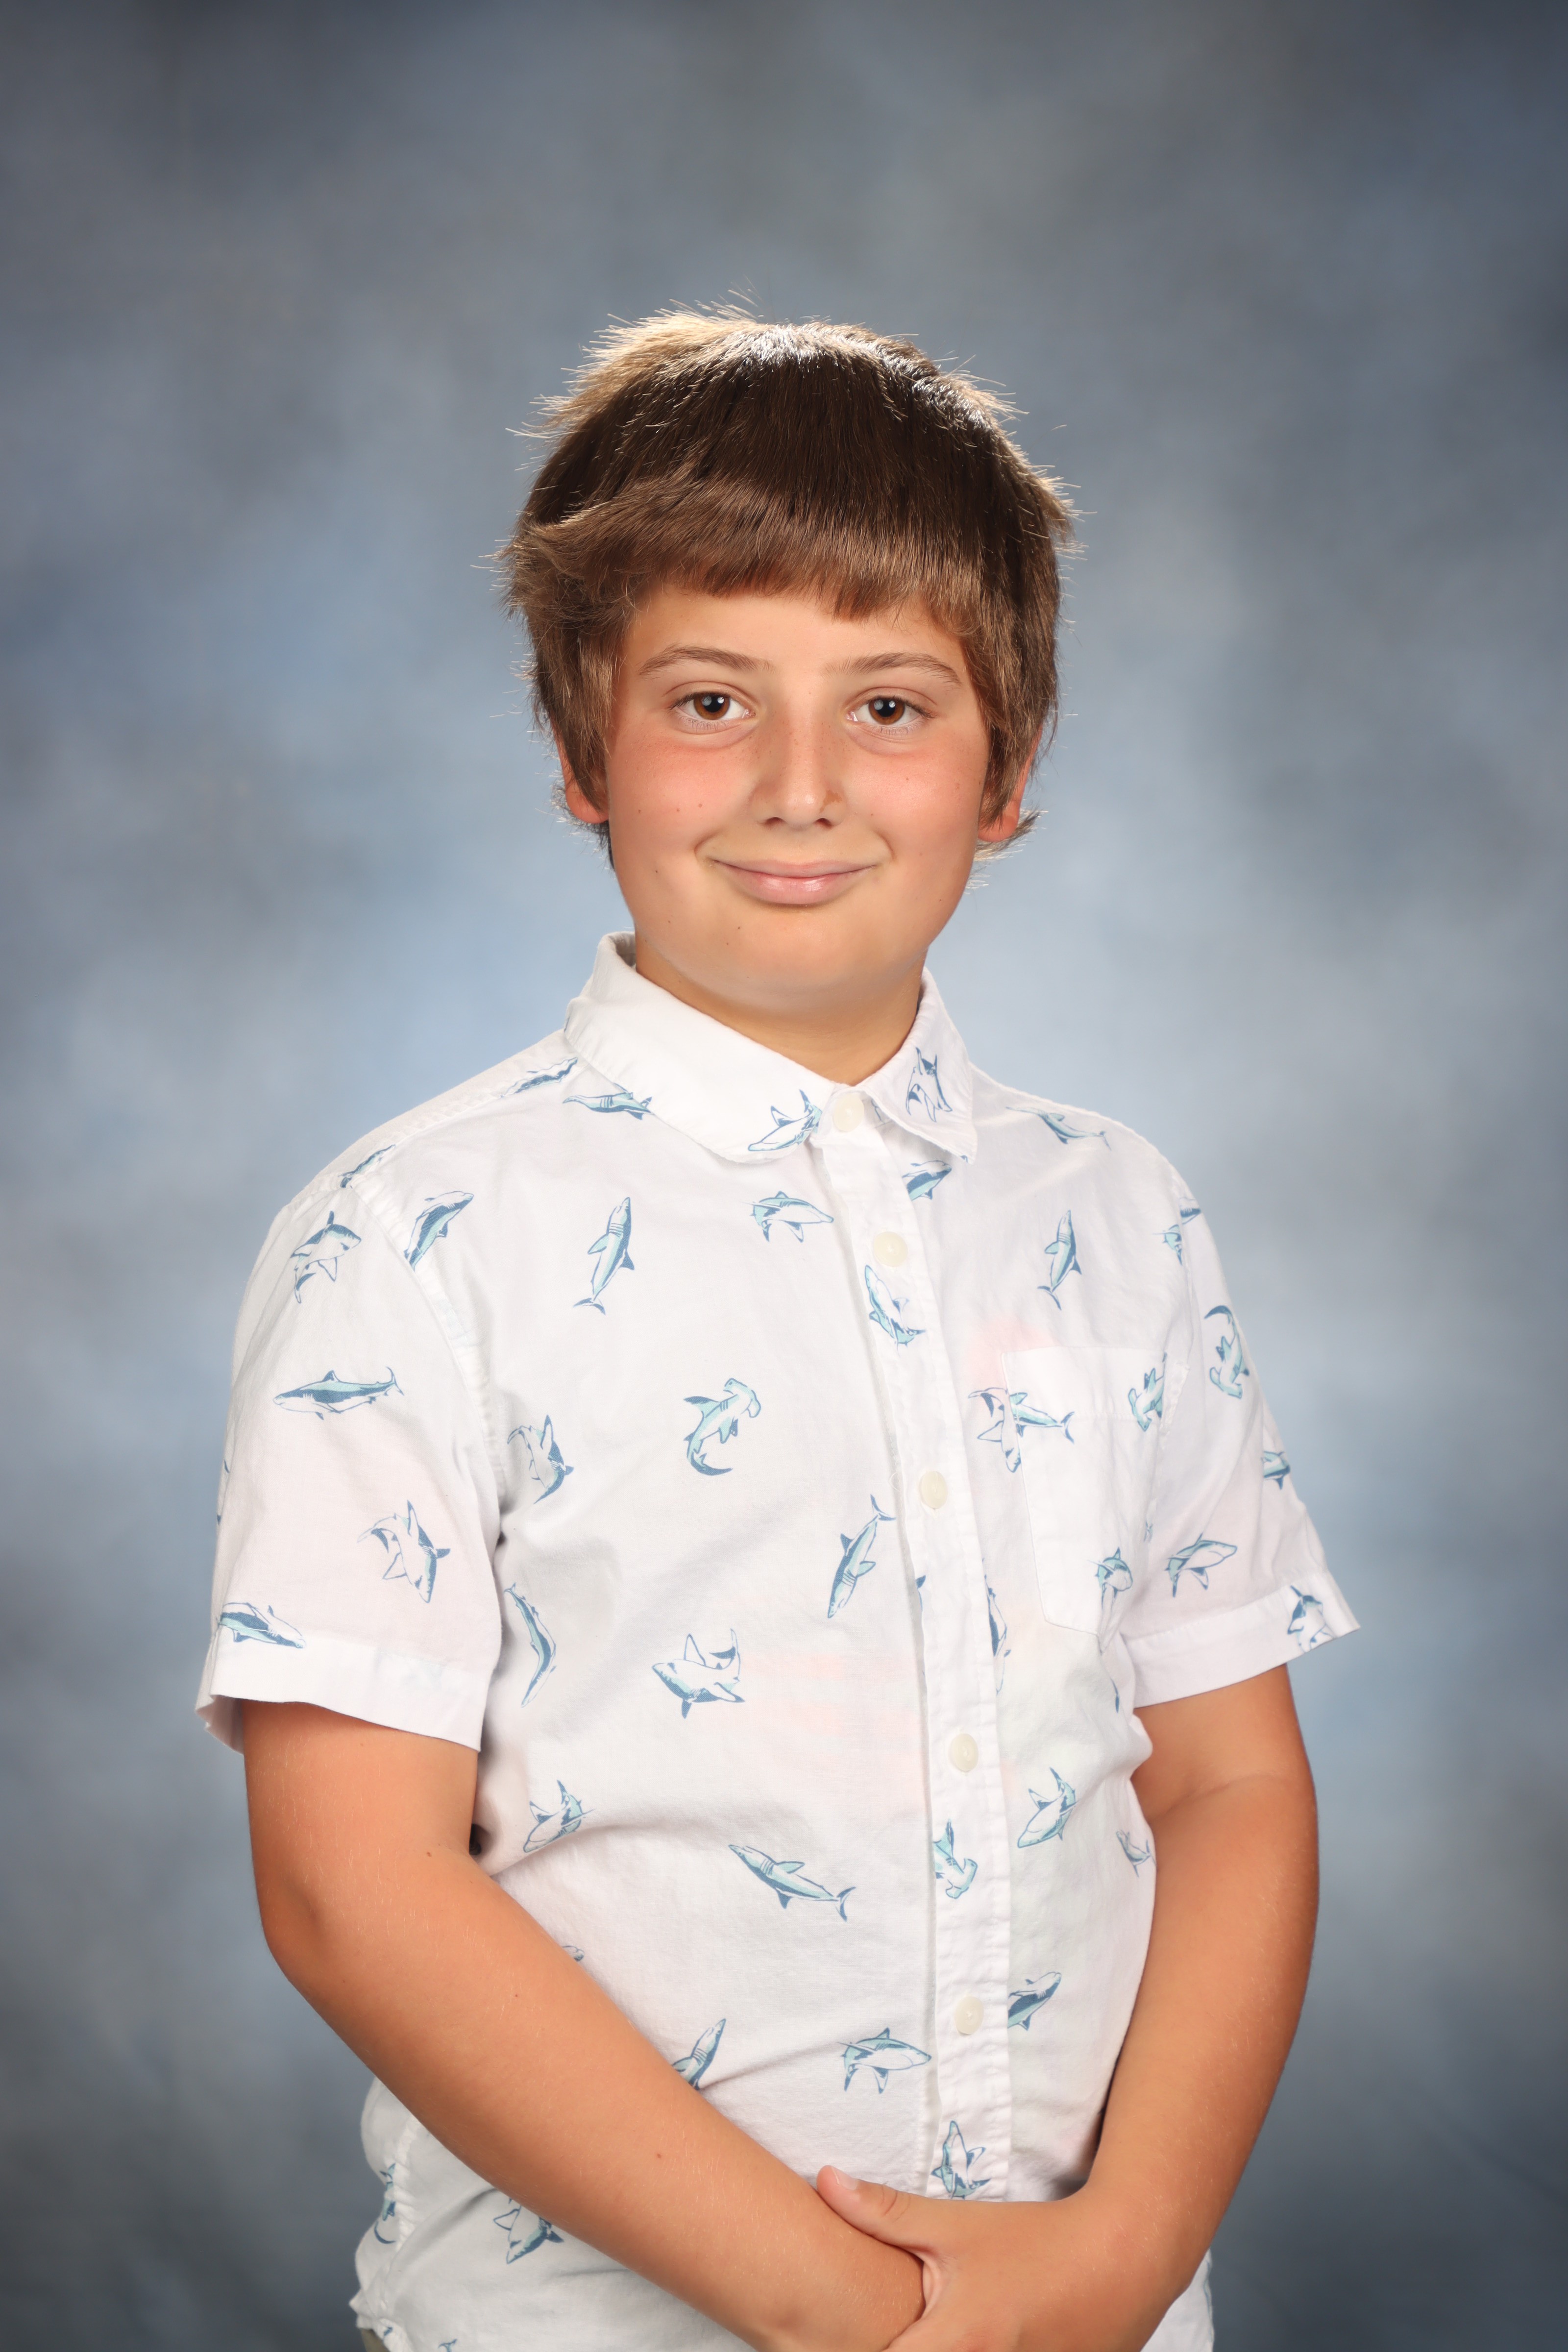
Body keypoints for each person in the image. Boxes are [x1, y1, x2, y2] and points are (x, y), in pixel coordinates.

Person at [197, 313, 1356, 2352]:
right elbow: (349, 1889)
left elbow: (1228, 1789)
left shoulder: (1116, 1218)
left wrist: (1121, 2255)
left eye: (889, 705)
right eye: (711, 701)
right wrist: (854, 2318)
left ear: (1007, 771)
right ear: (584, 753)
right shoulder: (418, 1242)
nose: (799, 788)